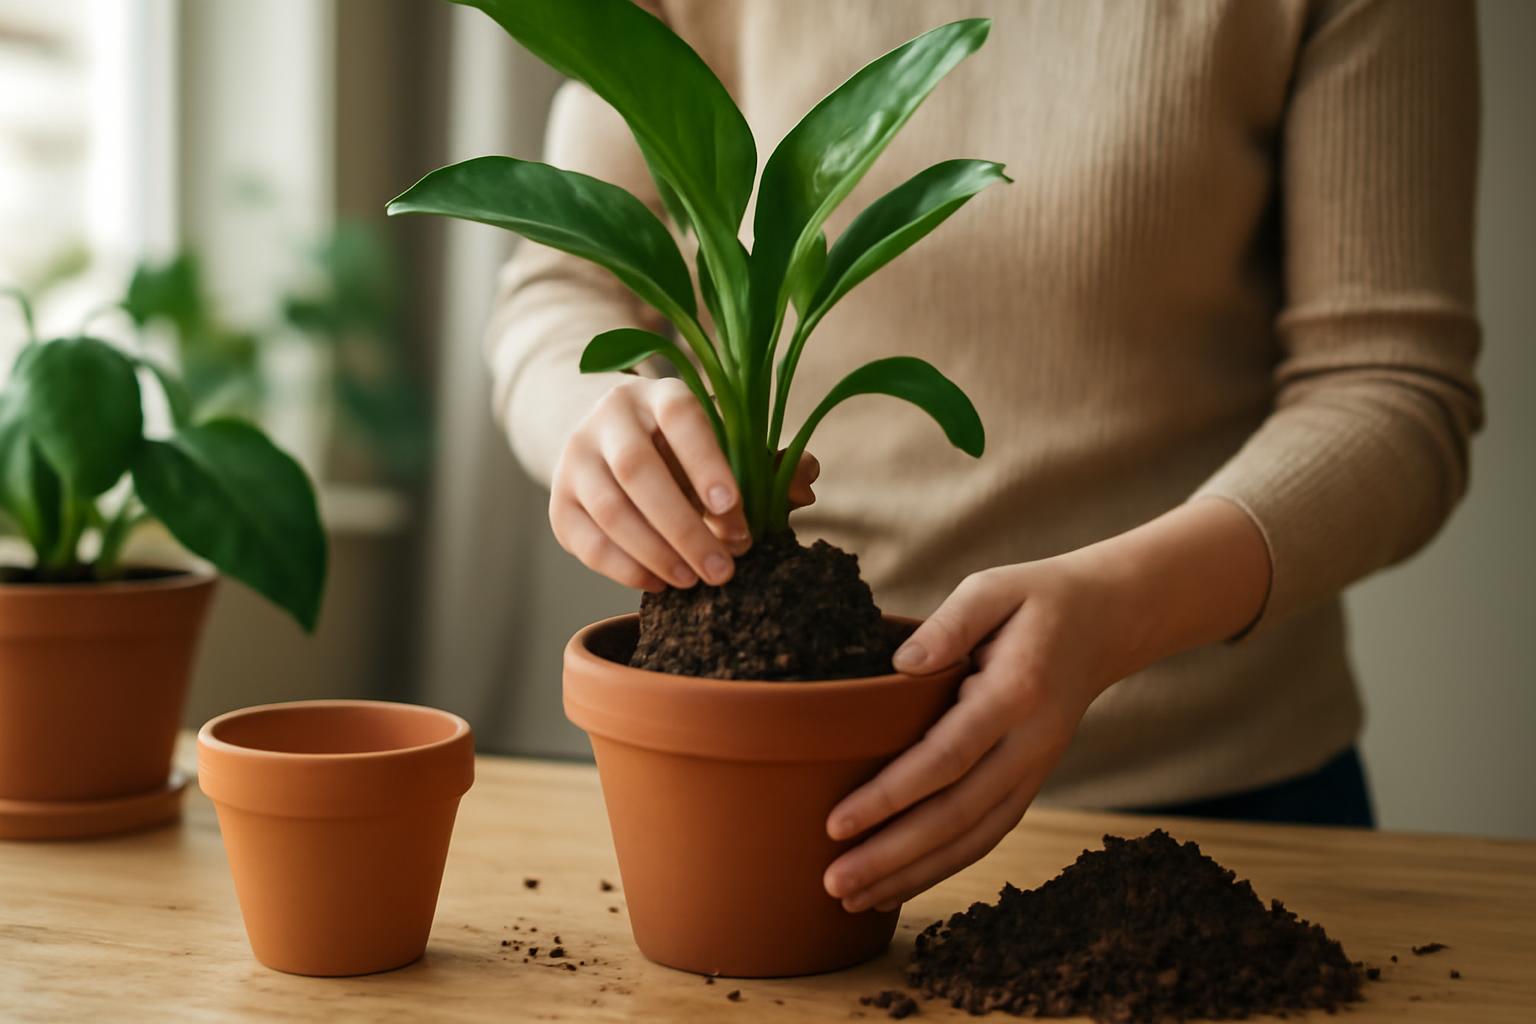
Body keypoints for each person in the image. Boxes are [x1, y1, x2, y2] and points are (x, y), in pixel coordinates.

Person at [485, 1, 1482, 915]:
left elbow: (1391, 388)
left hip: (1215, 807)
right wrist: (594, 419)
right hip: (774, 779)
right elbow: (561, 282)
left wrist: (1120, 607)